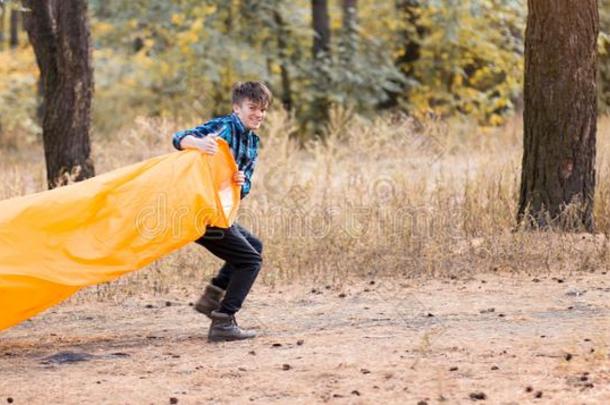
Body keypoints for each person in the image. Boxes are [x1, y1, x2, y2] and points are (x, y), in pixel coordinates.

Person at [172, 81, 271, 342]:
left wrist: (241, 181)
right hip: (201, 212)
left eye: (262, 109)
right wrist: (198, 143)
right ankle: (224, 321)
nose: (259, 114)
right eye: (253, 108)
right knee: (250, 261)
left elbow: (245, 186)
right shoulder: (225, 127)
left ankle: (211, 299)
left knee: (254, 246)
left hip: (219, 213)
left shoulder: (252, 141)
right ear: (236, 108)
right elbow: (179, 137)